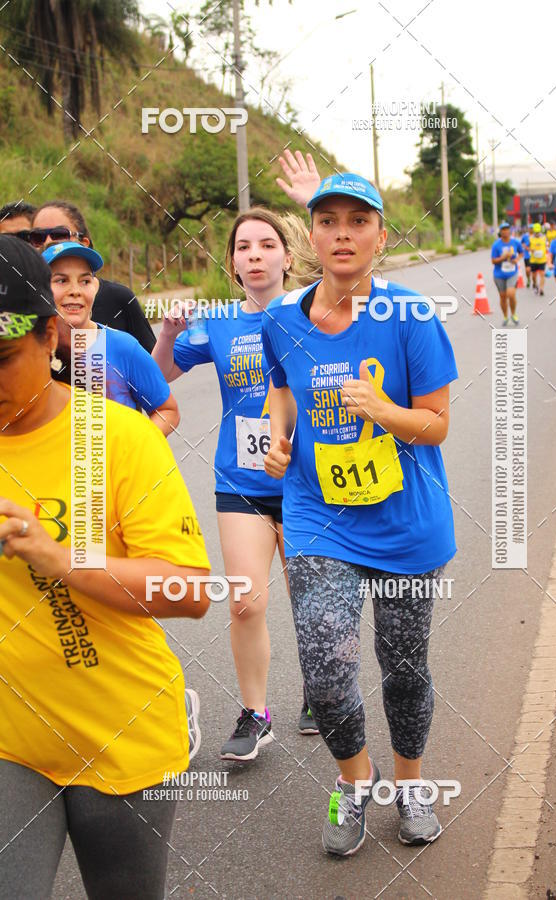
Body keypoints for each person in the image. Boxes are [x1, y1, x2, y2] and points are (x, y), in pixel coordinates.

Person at [0, 235, 211, 899]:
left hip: (122, 733)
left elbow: (192, 590)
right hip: (12, 740)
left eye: (2, 358)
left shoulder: (118, 438)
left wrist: (59, 557)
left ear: (50, 337)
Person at [262, 173, 458, 855]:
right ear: (310, 235)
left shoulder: (410, 316)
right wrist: (277, 436)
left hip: (407, 523)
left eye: (358, 221)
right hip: (321, 518)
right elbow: (281, 394)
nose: (342, 234)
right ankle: (355, 780)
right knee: (324, 666)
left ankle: (410, 783)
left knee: (403, 668)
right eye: (328, 221)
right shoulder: (282, 318)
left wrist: (384, 412)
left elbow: (436, 424)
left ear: (379, 235)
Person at [153, 204, 322, 760]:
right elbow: (162, 376)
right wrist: (168, 333)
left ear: (288, 256)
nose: (254, 255)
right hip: (241, 482)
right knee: (246, 603)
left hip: (310, 483)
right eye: (243, 247)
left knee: (313, 603)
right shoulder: (219, 322)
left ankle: (319, 692)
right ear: (232, 262)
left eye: (266, 245)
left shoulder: (314, 313)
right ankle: (256, 712)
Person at [41, 241, 179, 437]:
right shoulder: (29, 351)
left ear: (95, 287)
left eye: (85, 281)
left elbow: (167, 411)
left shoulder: (123, 347)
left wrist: (134, 448)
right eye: (61, 280)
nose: (75, 290)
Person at [30, 201, 157, 352]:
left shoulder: (119, 299)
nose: (48, 243)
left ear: (84, 243)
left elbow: (153, 368)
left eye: (59, 235)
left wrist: (169, 335)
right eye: (38, 237)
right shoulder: (17, 304)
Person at [491, 222, 523, 325]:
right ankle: (505, 316)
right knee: (503, 297)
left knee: (511, 294)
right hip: (499, 274)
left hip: (512, 273)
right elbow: (493, 261)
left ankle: (513, 314)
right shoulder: (496, 245)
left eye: (507, 229)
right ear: (500, 232)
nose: (505, 231)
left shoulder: (515, 242)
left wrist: (517, 259)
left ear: (510, 231)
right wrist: (503, 258)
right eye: (503, 229)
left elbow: (521, 252)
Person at [529, 222, 547, 296]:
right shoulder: (530, 238)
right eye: (536, 232)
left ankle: (541, 289)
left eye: (538, 232)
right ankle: (535, 284)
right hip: (533, 260)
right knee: (534, 276)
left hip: (542, 260)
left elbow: (547, 246)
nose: (537, 233)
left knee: (542, 274)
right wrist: (530, 249)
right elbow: (526, 247)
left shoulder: (544, 238)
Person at [521, 223, 532, 288]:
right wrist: (526, 247)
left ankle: (534, 282)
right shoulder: (525, 236)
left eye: (532, 228)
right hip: (527, 255)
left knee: (533, 271)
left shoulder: (537, 236)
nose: (531, 229)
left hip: (535, 256)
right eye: (530, 228)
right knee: (527, 270)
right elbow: (521, 243)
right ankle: (528, 279)